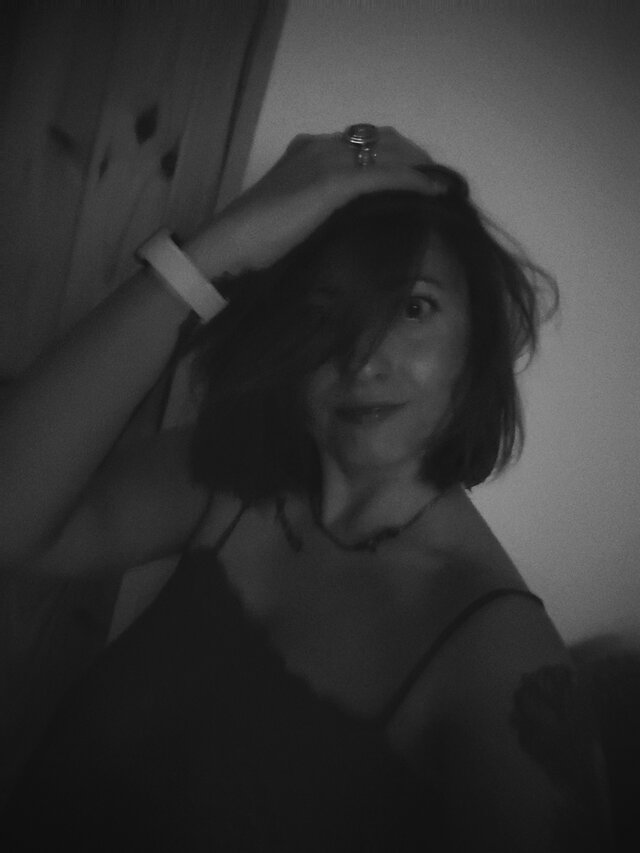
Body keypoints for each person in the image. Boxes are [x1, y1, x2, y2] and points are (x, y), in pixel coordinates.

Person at [0, 126, 612, 851]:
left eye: (414, 308)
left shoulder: (499, 656)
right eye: (322, 314)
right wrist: (214, 250)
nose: (362, 360)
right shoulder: (234, 478)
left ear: (476, 340)